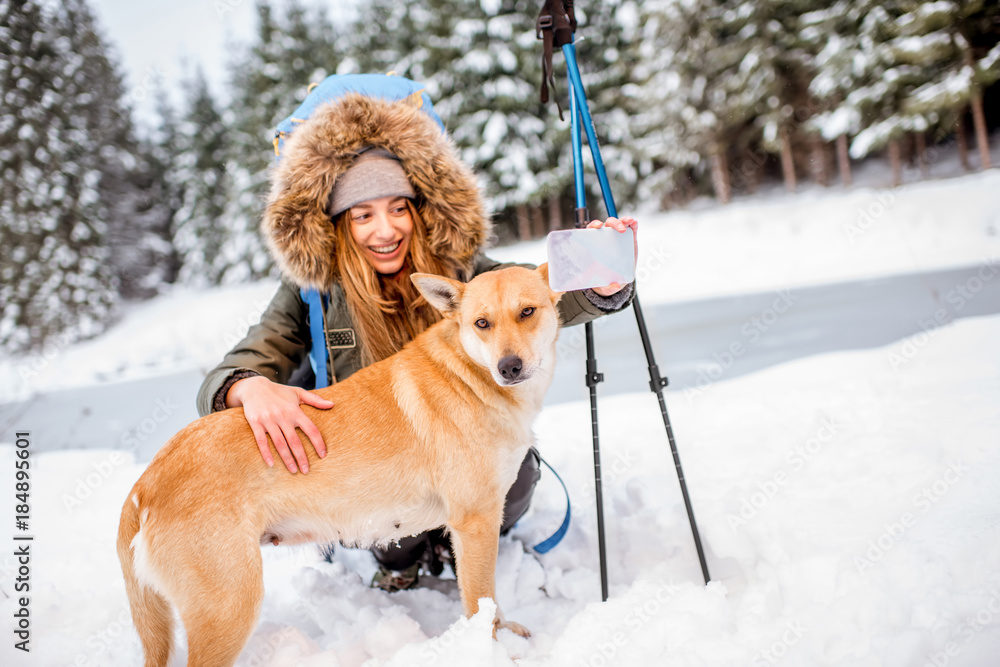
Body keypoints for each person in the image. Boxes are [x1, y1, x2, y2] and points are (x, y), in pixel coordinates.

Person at [197, 89, 638, 591]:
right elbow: (248, 356)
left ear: (417, 209)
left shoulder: (460, 270)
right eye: (362, 215)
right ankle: (399, 557)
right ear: (341, 224)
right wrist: (245, 386)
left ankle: (467, 544)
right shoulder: (313, 291)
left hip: (453, 448)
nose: (385, 230)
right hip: (374, 459)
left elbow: (530, 300)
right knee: (387, 507)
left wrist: (604, 288)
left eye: (397, 209)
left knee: (512, 477)